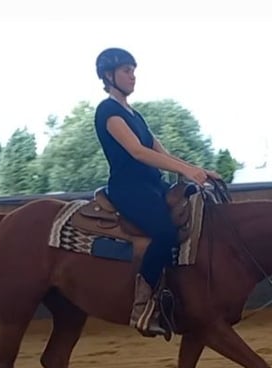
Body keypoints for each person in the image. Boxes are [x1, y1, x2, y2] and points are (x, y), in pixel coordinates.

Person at [93, 47, 221, 339]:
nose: (132, 76)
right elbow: (138, 152)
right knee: (164, 233)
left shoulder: (134, 114)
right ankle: (142, 306)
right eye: (126, 71)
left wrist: (194, 170)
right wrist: (188, 171)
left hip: (152, 185)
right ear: (108, 76)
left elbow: (159, 150)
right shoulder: (108, 111)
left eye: (133, 70)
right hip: (129, 189)